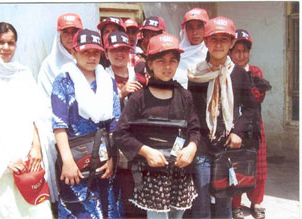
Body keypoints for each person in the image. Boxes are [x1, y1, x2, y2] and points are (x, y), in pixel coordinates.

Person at [0, 22, 53, 218]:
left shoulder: (23, 74)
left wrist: (36, 148)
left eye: (11, 43)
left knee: (40, 213)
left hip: (30, 163)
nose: (5, 48)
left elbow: (35, 115)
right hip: (1, 168)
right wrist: (5, 160)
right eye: (0, 42)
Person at [113, 33, 200, 218]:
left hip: (180, 171)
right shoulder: (138, 98)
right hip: (151, 174)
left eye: (172, 61)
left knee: (178, 214)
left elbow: (194, 129)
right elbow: (120, 134)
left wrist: (192, 148)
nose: (167, 67)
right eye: (161, 61)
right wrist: (146, 151)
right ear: (150, 64)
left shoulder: (184, 96)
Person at [187, 17, 257, 219]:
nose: (218, 44)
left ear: (232, 43)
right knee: (200, 203)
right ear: (206, 42)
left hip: (227, 147)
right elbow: (191, 112)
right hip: (201, 146)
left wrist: (237, 132)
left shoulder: (239, 74)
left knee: (224, 200)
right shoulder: (196, 74)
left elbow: (251, 108)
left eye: (224, 39)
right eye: (213, 39)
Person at [51, 28, 121, 218]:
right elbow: (59, 125)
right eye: (85, 52)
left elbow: (115, 123)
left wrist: (113, 158)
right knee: (81, 211)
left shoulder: (108, 81)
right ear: (73, 52)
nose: (91, 57)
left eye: (95, 52)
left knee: (107, 210)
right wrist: (67, 161)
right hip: (76, 162)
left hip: (103, 162)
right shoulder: (64, 81)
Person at [36, 13, 83, 211]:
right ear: (59, 35)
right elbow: (45, 102)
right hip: (61, 131)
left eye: (75, 32)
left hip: (87, 134)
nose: (70, 36)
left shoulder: (89, 57)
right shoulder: (50, 65)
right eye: (66, 32)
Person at [229, 29, 270, 219]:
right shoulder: (226, 71)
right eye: (236, 50)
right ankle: (235, 204)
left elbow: (257, 97)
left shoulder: (255, 71)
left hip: (254, 126)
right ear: (230, 52)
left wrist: (244, 77)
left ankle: (256, 202)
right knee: (235, 166)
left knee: (258, 167)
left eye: (244, 50)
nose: (240, 55)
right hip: (233, 126)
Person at [103, 30, 145, 218]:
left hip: (139, 143)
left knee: (141, 191)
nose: (119, 54)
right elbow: (99, 113)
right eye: (114, 50)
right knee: (122, 192)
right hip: (113, 146)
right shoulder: (102, 77)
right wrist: (120, 95)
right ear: (106, 54)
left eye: (123, 49)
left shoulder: (139, 74)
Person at [173, 8, 209, 89]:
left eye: (199, 27)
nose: (195, 32)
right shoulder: (176, 55)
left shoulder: (214, 54)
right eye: (190, 27)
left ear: (205, 29)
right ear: (185, 30)